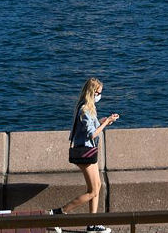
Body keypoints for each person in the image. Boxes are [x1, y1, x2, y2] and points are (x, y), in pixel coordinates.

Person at [49, 78, 119, 232]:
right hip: (84, 152)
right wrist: (106, 124)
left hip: (89, 151)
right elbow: (92, 134)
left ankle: (92, 224)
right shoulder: (85, 109)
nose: (100, 95)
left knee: (97, 186)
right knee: (93, 191)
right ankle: (58, 213)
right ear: (92, 92)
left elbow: (91, 126)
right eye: (99, 93)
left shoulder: (87, 106)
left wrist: (105, 120)